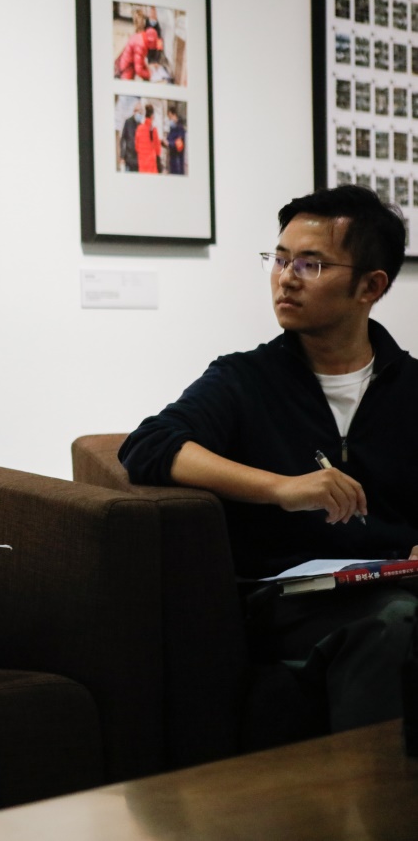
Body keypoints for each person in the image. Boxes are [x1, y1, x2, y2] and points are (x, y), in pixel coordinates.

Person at [121, 185, 418, 738]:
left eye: (311, 264)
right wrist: (282, 488)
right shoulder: (245, 379)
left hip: (395, 581)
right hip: (289, 600)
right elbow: (150, 446)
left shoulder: (411, 386)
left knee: (400, 611)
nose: (286, 278)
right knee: (395, 622)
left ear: (370, 287)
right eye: (280, 260)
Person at [134, 103, 161, 174]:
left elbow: (136, 147)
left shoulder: (139, 128)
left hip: (142, 163)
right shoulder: (154, 130)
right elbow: (158, 150)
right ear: (152, 116)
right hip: (151, 164)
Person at [119, 103, 141, 172]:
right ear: (134, 111)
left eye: (140, 112)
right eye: (136, 110)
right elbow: (123, 139)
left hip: (138, 160)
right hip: (128, 158)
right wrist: (122, 156)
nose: (138, 113)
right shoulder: (128, 122)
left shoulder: (141, 124)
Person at [166, 107, 187, 175]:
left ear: (174, 115)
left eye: (170, 117)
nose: (170, 119)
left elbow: (179, 144)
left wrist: (169, 143)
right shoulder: (172, 128)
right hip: (172, 160)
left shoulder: (180, 127)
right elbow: (169, 138)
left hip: (178, 161)